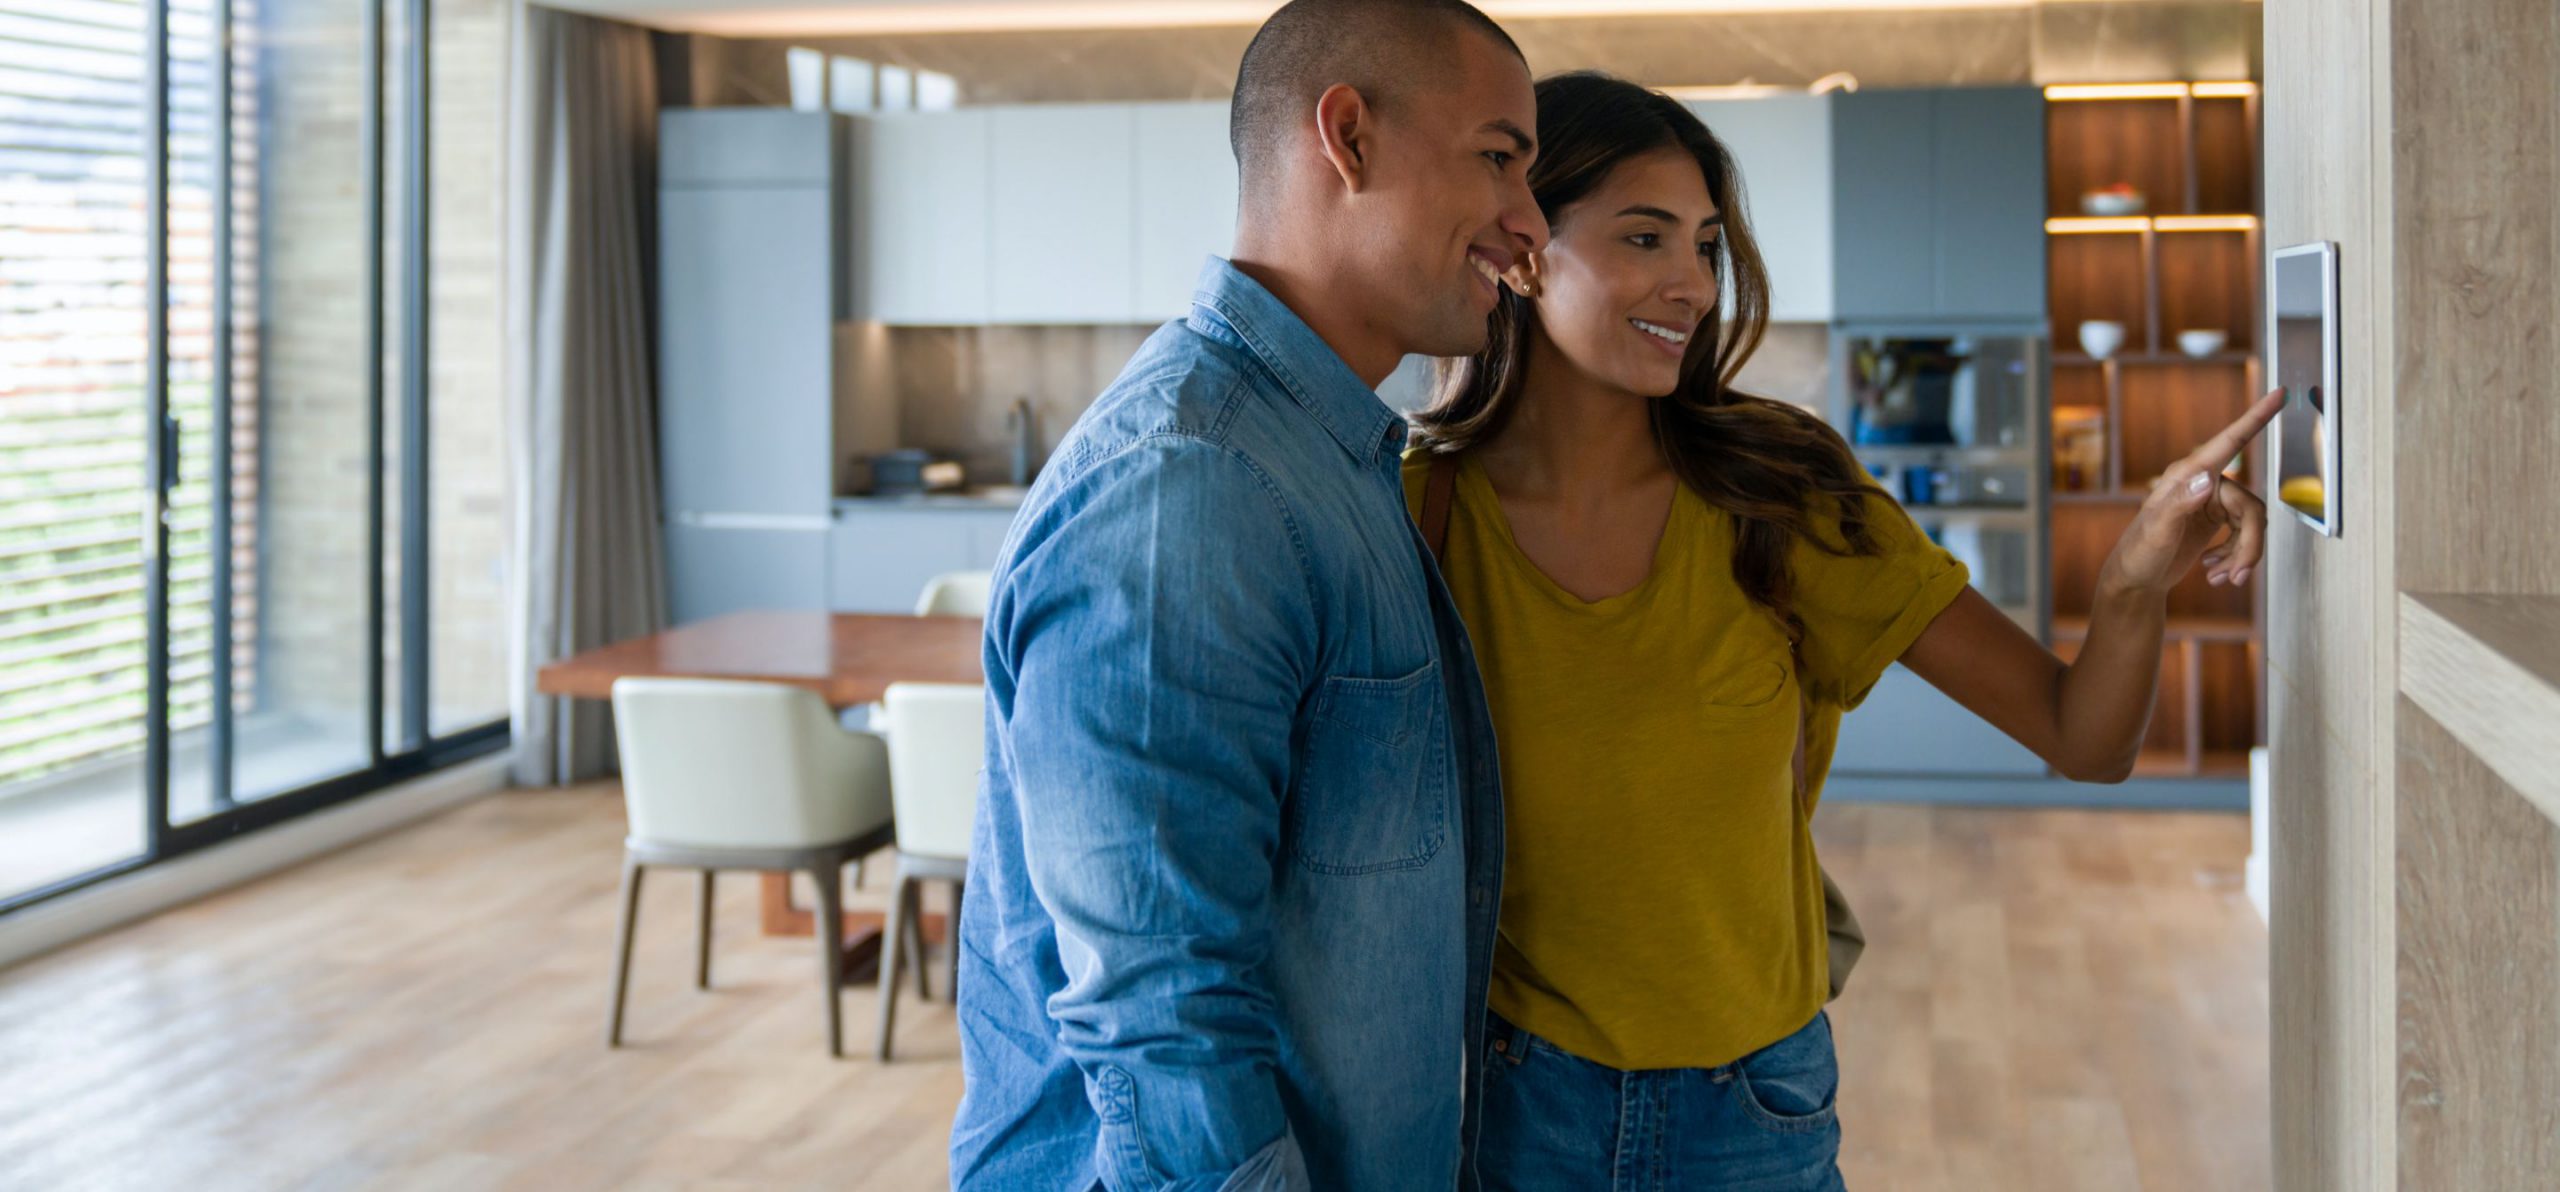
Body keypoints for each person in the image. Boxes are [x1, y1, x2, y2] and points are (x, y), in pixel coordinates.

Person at [1401, 72, 2280, 1190]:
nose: (1691, 284)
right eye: (1643, 236)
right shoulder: (1415, 514)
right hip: (1508, 1105)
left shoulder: (1781, 492)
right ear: (1521, 249)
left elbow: (2085, 738)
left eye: (1706, 245)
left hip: (1750, 1111)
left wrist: (2136, 572)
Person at [949, 2, 1550, 1188]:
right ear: (1349, 137)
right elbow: (1160, 1022)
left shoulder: (1316, 456)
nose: (1527, 223)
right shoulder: (1192, 487)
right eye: (1498, 158)